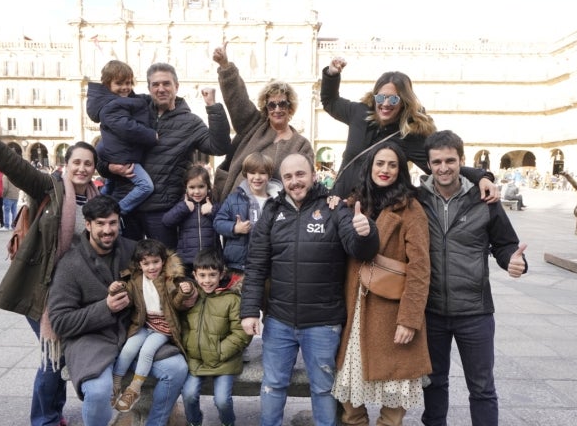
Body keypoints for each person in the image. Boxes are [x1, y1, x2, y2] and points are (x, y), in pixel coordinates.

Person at [0, 105, 101, 426]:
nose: (81, 168)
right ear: (67, 164)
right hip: (44, 289)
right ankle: (43, 417)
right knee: (53, 354)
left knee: (59, 352)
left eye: (87, 163)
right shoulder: (49, 188)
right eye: (76, 162)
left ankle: (53, 409)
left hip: (74, 294)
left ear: (94, 169)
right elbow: (12, 164)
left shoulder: (96, 199)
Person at [402, 130, 527, 426]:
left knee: (482, 387)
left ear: (461, 161)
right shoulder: (415, 199)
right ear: (428, 164)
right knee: (434, 379)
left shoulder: (484, 200)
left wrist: (513, 262)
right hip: (432, 309)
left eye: (450, 161)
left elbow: (505, 243)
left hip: (474, 309)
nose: (443, 168)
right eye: (436, 161)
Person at [241, 153, 379, 426]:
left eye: (300, 174)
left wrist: (365, 231)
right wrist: (249, 310)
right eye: (288, 177)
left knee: (323, 386)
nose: (295, 182)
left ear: (313, 173)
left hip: (323, 321)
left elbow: (361, 250)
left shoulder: (334, 209)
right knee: (273, 385)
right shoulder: (272, 213)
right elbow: (256, 266)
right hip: (279, 320)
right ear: (282, 180)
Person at [47, 194, 190, 426]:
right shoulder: (71, 263)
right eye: (100, 224)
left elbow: (165, 272)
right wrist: (105, 308)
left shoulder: (131, 250)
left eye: (112, 223)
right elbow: (60, 322)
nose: (108, 230)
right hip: (91, 338)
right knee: (97, 391)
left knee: (176, 367)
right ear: (88, 225)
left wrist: (186, 293)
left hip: (135, 332)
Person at [331, 143, 432, 426]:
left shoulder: (410, 209)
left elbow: (419, 268)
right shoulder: (355, 202)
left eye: (392, 165)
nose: (385, 169)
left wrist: (409, 318)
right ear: (370, 167)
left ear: (401, 171)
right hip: (356, 304)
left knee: (397, 381)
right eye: (380, 163)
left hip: (390, 309)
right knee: (348, 380)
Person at [320, 57, 498, 201]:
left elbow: (439, 164)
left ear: (404, 102)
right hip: (338, 202)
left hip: (373, 212)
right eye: (381, 97)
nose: (386, 104)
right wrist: (332, 75)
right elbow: (330, 102)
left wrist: (482, 177)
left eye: (394, 99)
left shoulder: (410, 135)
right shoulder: (359, 113)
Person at [98, 62, 231, 248]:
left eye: (166, 84)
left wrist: (213, 106)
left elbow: (219, 146)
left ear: (176, 86)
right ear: (149, 88)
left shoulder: (190, 122)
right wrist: (110, 167)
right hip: (127, 207)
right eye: (155, 84)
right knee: (127, 266)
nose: (161, 89)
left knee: (166, 266)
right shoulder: (133, 112)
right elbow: (104, 152)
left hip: (161, 212)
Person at [208, 44, 313, 203]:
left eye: (282, 104)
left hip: (276, 214)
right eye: (272, 105)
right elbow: (238, 99)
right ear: (266, 108)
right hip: (236, 206)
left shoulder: (301, 145)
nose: (277, 109)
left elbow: (307, 179)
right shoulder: (253, 125)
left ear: (290, 107)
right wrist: (225, 66)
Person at [111, 239, 195, 413]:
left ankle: (134, 389)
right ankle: (115, 384)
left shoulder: (169, 280)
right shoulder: (136, 280)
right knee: (128, 348)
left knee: (147, 350)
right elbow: (128, 299)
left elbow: (177, 304)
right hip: (144, 324)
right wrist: (117, 289)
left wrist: (184, 292)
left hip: (163, 328)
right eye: (146, 263)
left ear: (163, 261)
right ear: (139, 265)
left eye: (155, 262)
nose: (151, 268)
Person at [180, 248, 252, 426]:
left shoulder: (232, 299)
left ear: (221, 274)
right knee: (189, 393)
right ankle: (194, 423)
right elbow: (183, 326)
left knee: (222, 399)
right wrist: (190, 347)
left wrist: (219, 351)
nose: (207, 280)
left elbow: (241, 333)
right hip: (196, 358)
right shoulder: (191, 298)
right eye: (202, 275)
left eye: (212, 275)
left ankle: (228, 424)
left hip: (225, 359)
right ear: (194, 275)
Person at [87, 60, 156, 215]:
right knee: (146, 186)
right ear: (107, 84)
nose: (125, 87)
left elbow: (137, 100)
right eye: (119, 83)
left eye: (128, 82)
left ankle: (95, 208)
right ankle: (115, 212)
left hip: (116, 153)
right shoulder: (113, 105)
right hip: (123, 156)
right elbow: (128, 128)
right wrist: (151, 135)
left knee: (110, 186)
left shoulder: (117, 100)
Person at [214, 152, 281, 279]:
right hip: (239, 265)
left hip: (268, 264)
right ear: (246, 174)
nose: (257, 177)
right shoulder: (234, 199)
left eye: (262, 173)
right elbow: (218, 222)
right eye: (253, 173)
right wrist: (234, 228)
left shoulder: (277, 201)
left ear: (269, 175)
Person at [162, 164, 219, 273]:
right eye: (192, 187)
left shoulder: (213, 204)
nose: (196, 192)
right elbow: (166, 221)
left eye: (201, 187)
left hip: (210, 259)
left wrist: (212, 211)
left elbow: (223, 222)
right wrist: (184, 208)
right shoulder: (182, 204)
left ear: (208, 187)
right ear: (186, 188)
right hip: (188, 259)